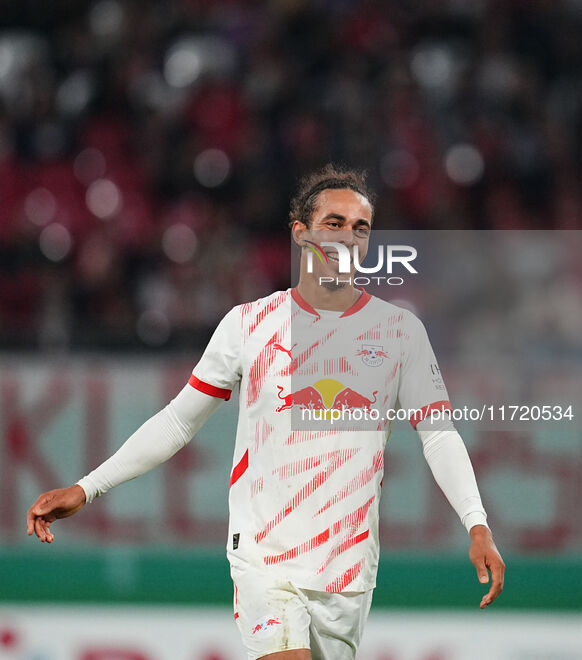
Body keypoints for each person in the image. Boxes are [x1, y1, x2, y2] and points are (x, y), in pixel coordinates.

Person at [27, 164, 505, 660]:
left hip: (347, 570)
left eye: (359, 228)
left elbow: (438, 434)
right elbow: (177, 420)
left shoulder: (400, 332)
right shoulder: (249, 325)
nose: (347, 237)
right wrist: (88, 487)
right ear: (301, 234)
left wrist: (477, 523)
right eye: (333, 223)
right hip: (264, 558)